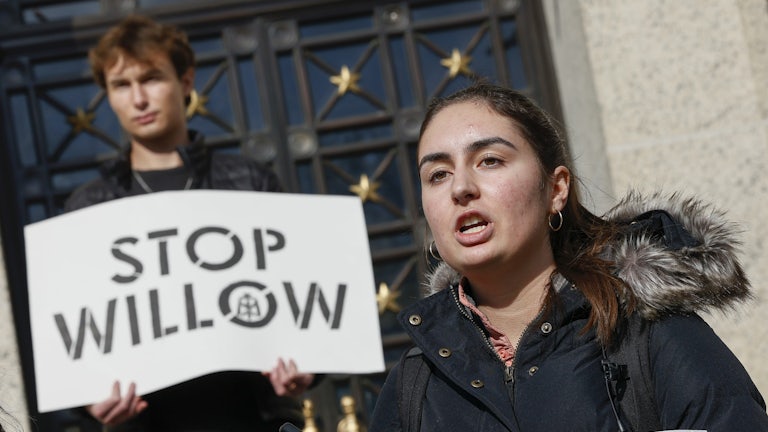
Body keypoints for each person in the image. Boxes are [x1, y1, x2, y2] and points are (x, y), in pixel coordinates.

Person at [369, 82, 768, 431]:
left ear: (556, 189)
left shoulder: (651, 336)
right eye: (437, 174)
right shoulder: (413, 386)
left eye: (490, 160)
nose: (461, 188)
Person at [64, 15, 314, 431]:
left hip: (252, 420)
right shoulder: (88, 209)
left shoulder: (250, 185)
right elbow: (76, 336)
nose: (139, 98)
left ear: (185, 81)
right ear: (108, 96)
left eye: (152, 78)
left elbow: (303, 303)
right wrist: (88, 403)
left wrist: (308, 368)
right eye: (122, 86)